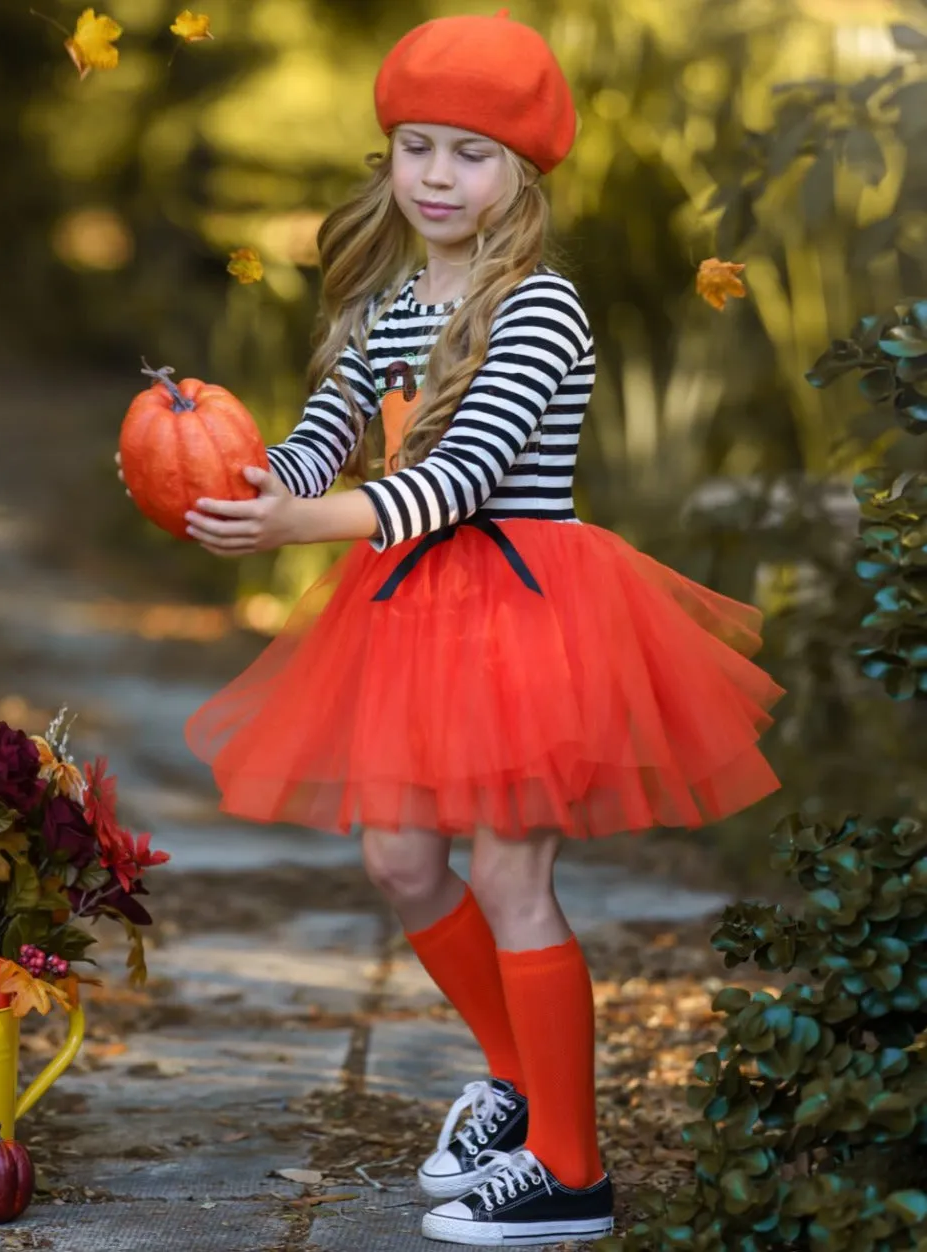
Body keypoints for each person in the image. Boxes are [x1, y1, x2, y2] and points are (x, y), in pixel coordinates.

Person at [119, 10, 785, 1246]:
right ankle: (514, 1079)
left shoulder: (540, 305)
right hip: (415, 608)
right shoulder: (386, 298)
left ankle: (571, 1172)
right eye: (416, 146)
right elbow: (327, 431)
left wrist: (302, 528)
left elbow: (461, 473)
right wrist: (221, 471)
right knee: (400, 859)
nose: (435, 175)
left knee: (511, 870)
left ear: (522, 173)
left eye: (469, 153)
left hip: (525, 608)